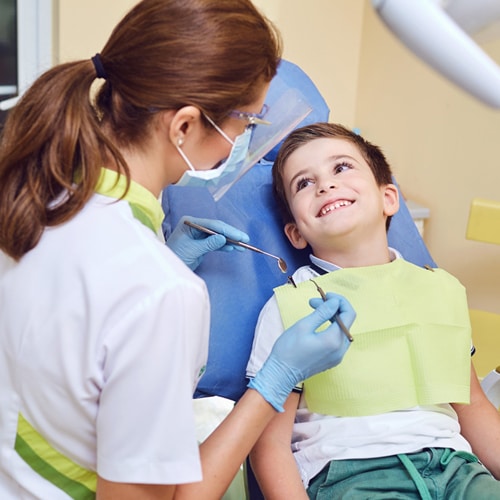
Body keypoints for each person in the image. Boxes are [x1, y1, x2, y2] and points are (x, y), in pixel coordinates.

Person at [0, 2, 357, 499]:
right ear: (184, 126)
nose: (245, 142)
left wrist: (162, 259)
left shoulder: (34, 200)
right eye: (245, 124)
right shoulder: (162, 293)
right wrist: (274, 382)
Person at [246, 122, 500, 499]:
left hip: (457, 470)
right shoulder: (292, 306)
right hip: (355, 476)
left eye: (341, 167)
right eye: (304, 183)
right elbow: (269, 446)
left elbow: (474, 406)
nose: (325, 185)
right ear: (295, 233)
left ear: (389, 199)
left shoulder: (440, 290)